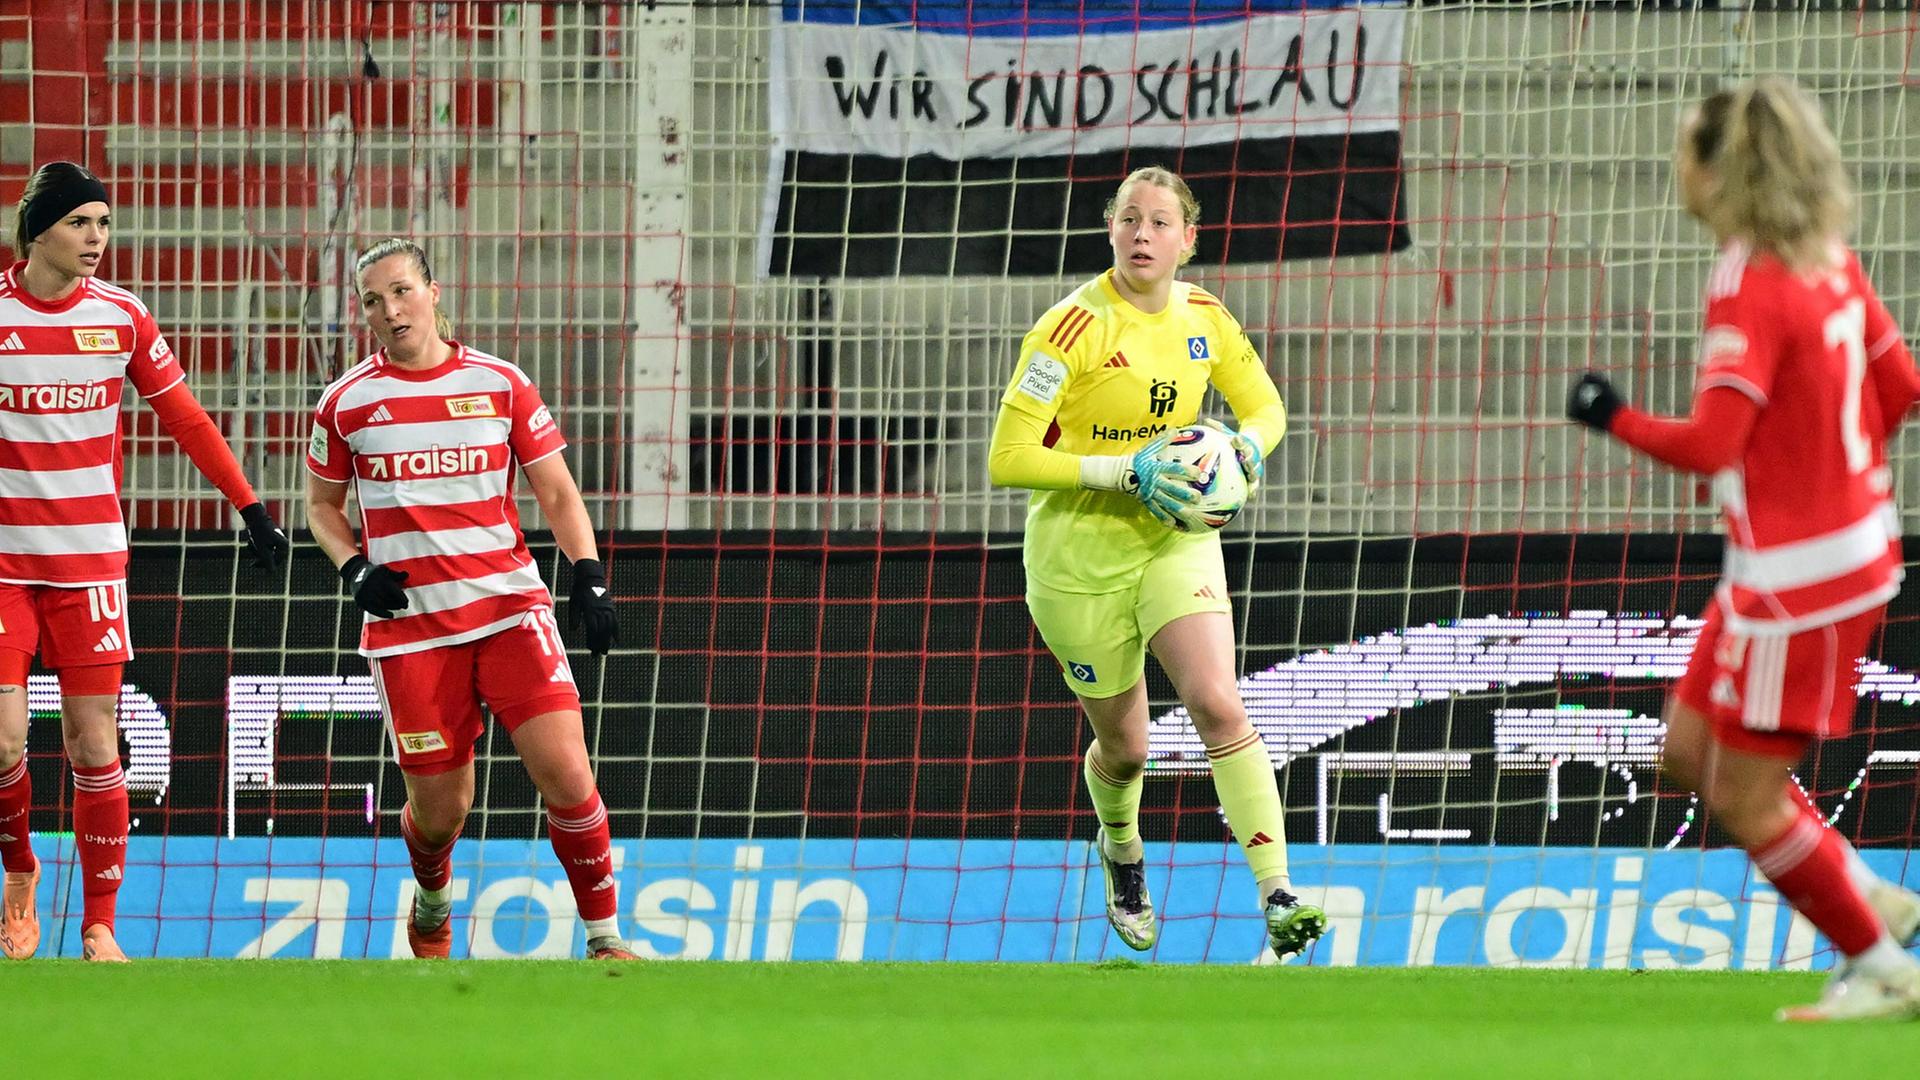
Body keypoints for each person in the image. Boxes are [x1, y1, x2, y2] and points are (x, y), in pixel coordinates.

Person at [1568, 76, 1920, 1020]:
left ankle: (1886, 970)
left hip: (1796, 580)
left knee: (1747, 799)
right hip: (1843, 552)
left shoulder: (1747, 279)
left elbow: (1715, 442)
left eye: (1687, 147)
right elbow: (1900, 389)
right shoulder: (1826, 258)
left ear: (1719, 170)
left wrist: (1609, 414)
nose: (1676, 165)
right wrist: (1819, 471)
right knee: (1688, 753)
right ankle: (1865, 895)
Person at [987, 166, 1325, 960]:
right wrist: (1124, 468)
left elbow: (1267, 407)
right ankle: (1122, 849)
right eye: (1130, 218)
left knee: (1216, 701)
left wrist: (1244, 449)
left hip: (1175, 537)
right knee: (1128, 747)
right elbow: (1006, 456)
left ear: (1187, 240)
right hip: (1077, 558)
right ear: (1110, 230)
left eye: (1160, 221)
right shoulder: (1068, 329)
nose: (1143, 233)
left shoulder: (1204, 316)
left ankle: (1277, 894)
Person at [304, 238, 631, 960]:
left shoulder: (500, 382)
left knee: (569, 773)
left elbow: (556, 491)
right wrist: (355, 569)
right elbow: (322, 508)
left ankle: (607, 942)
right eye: (371, 300)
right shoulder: (347, 403)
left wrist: (589, 574)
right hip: (411, 630)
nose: (389, 310)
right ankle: (430, 899)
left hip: (510, 610)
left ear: (433, 290)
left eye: (401, 291)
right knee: (442, 810)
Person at [0, 161, 288, 963]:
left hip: (90, 564)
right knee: (3, 742)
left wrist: (249, 505)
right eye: (80, 224)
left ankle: (100, 925)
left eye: (103, 224)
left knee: (95, 745)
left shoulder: (122, 318)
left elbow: (187, 419)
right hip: (4, 565)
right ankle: (19, 867)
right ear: (39, 231)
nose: (96, 239)